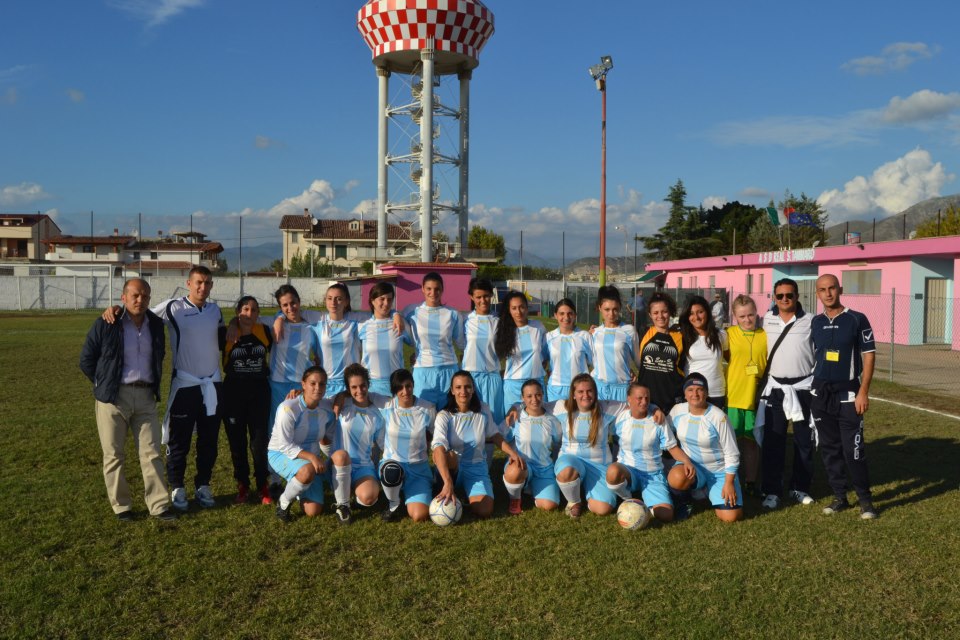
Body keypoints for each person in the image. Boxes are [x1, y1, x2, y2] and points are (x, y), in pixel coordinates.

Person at [105, 265, 225, 510]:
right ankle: (177, 487)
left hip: (213, 385)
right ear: (189, 284)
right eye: (199, 282)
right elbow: (139, 313)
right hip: (185, 385)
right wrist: (116, 309)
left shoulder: (215, 310)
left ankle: (203, 485)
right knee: (179, 440)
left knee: (209, 440)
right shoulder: (174, 307)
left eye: (208, 283)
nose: (203, 287)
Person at [80, 278, 174, 521]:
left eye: (144, 296)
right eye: (134, 295)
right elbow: (87, 359)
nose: (139, 300)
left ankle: (159, 505)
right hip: (113, 398)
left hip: (145, 396)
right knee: (113, 455)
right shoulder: (108, 322)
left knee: (152, 452)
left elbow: (159, 356)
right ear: (123, 297)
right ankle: (122, 507)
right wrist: (104, 383)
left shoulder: (155, 324)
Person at [811, 273, 877, 520]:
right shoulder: (815, 322)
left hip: (849, 393)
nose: (827, 293)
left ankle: (866, 501)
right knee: (829, 448)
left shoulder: (857, 319)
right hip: (821, 394)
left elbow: (869, 356)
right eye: (822, 290)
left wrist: (863, 391)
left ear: (840, 289)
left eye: (831, 288)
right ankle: (840, 496)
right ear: (817, 293)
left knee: (854, 450)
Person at [757, 278, 817, 510]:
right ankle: (772, 490)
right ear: (774, 297)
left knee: (804, 441)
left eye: (789, 295)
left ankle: (799, 488)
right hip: (776, 390)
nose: (785, 299)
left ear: (797, 296)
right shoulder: (767, 319)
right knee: (774, 441)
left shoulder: (811, 321)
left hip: (803, 388)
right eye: (780, 295)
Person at [432, 371, 524, 519]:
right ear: (452, 390)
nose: (463, 391)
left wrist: (511, 453)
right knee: (447, 454)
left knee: (485, 510)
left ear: (473, 389)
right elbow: (437, 449)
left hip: (476, 468)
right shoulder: (444, 415)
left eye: (467, 387)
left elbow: (494, 435)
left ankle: (464, 498)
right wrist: (448, 481)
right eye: (459, 387)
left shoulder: (483, 409)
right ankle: (444, 485)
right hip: (452, 468)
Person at [605, 382, 695, 523]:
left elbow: (672, 447)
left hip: (652, 475)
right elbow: (608, 438)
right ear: (629, 398)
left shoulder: (657, 420)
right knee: (613, 471)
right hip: (629, 471)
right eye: (639, 398)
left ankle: (644, 507)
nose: (644, 402)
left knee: (666, 515)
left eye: (647, 398)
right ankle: (628, 499)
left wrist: (686, 461)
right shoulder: (621, 418)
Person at [667, 373, 743, 522]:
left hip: (719, 472)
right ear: (684, 393)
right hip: (692, 468)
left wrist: (728, 483)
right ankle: (684, 501)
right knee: (677, 476)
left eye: (700, 389)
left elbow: (732, 453)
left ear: (706, 393)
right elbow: (665, 435)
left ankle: (708, 491)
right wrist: (654, 411)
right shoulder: (677, 411)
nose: (694, 394)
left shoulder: (719, 417)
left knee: (731, 517)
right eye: (690, 389)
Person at [222, 296, 273, 505]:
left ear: (258, 314)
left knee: (259, 443)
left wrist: (276, 320)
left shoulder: (265, 331)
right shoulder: (225, 333)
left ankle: (263, 485)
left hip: (259, 392)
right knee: (237, 442)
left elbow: (283, 317)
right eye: (244, 309)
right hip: (233, 392)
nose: (249, 314)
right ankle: (242, 485)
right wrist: (233, 324)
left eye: (253, 310)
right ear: (237, 312)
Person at [551, 373, 625, 518]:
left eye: (589, 391)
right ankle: (574, 501)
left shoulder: (607, 408)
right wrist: (516, 408)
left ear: (595, 392)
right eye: (580, 392)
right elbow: (534, 404)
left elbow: (634, 403)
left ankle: (584, 490)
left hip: (599, 465)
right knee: (567, 473)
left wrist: (654, 409)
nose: (585, 395)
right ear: (573, 394)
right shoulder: (561, 407)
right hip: (570, 460)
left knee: (603, 509)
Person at [268, 366, 336, 522]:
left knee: (313, 511)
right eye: (312, 383)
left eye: (322, 384)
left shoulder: (326, 408)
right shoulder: (288, 408)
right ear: (303, 384)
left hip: (311, 462)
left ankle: (298, 486)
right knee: (306, 471)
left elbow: (348, 396)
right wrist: (312, 457)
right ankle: (283, 502)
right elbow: (284, 445)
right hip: (280, 453)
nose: (317, 388)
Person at [329, 364, 386, 526]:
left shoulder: (377, 414)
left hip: (363, 466)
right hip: (339, 463)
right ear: (347, 389)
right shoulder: (341, 404)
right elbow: (314, 401)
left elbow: (384, 445)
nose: (359, 390)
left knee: (369, 497)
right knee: (341, 455)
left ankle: (351, 491)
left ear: (368, 384)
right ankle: (343, 505)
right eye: (354, 387)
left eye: (363, 386)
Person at [378, 368, 437, 523]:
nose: (405, 391)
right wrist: (341, 397)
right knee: (392, 471)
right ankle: (393, 504)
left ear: (413, 385)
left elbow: (434, 435)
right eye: (399, 388)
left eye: (408, 386)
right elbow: (360, 395)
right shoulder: (386, 406)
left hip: (418, 468)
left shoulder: (427, 408)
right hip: (392, 463)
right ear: (394, 390)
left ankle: (411, 491)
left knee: (419, 515)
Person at [724, 295, 767, 497]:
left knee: (751, 443)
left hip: (755, 399)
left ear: (756, 313)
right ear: (735, 316)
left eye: (750, 315)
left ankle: (750, 481)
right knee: (729, 443)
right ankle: (726, 481)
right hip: (732, 398)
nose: (747, 320)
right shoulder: (728, 334)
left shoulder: (765, 335)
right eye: (742, 316)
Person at [403, 272, 465, 410]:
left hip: (449, 369)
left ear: (442, 290)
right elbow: (403, 335)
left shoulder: (453, 314)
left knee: (449, 416)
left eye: (437, 289)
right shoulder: (411, 311)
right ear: (422, 289)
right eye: (429, 289)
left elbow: (462, 343)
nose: (433, 292)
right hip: (422, 371)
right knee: (423, 418)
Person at [502, 379, 563, 514]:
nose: (534, 399)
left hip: (544, 469)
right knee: (514, 471)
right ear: (522, 398)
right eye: (529, 396)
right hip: (521, 465)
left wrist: (557, 465)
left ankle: (529, 487)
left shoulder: (552, 420)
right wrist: (512, 454)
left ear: (543, 394)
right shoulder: (516, 417)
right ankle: (515, 498)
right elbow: (499, 438)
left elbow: (559, 444)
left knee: (550, 505)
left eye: (538, 395)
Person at [494, 290, 549, 410]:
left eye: (521, 307)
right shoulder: (504, 330)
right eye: (514, 308)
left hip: (536, 384)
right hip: (513, 386)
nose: (518, 312)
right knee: (513, 425)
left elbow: (546, 354)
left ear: (527, 308)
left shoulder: (538, 327)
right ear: (509, 310)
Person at [461, 278, 503, 423]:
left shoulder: (499, 320)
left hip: (492, 376)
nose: (483, 300)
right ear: (471, 297)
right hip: (470, 377)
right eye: (478, 297)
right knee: (471, 420)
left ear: (491, 295)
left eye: (486, 296)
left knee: (492, 422)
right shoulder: (464, 319)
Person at [358, 282, 410, 397]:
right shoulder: (362, 325)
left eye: (389, 299)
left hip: (397, 386)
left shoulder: (400, 324)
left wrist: (396, 314)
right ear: (372, 300)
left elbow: (420, 344)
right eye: (382, 299)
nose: (386, 303)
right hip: (371, 386)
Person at [591, 286, 641, 401]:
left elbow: (638, 362)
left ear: (620, 308)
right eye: (607, 309)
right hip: (599, 389)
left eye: (615, 309)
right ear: (599, 308)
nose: (611, 314)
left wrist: (638, 377)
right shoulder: (595, 333)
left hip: (623, 389)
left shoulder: (629, 331)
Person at [637, 292, 684, 413]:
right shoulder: (642, 333)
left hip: (672, 401)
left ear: (670, 312)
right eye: (656, 313)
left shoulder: (681, 336)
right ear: (650, 315)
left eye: (664, 311)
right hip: (646, 400)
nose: (660, 316)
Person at [679, 295, 728, 410]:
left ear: (707, 312)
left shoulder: (721, 335)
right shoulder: (682, 336)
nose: (696, 317)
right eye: (691, 313)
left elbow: (730, 359)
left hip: (716, 392)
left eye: (700, 312)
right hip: (692, 394)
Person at [544, 298, 593, 402]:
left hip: (580, 389)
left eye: (570, 313)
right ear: (555, 315)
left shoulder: (585, 336)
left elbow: (593, 362)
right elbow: (543, 361)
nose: (566, 317)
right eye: (562, 313)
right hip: (556, 389)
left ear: (575, 315)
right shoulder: (548, 337)